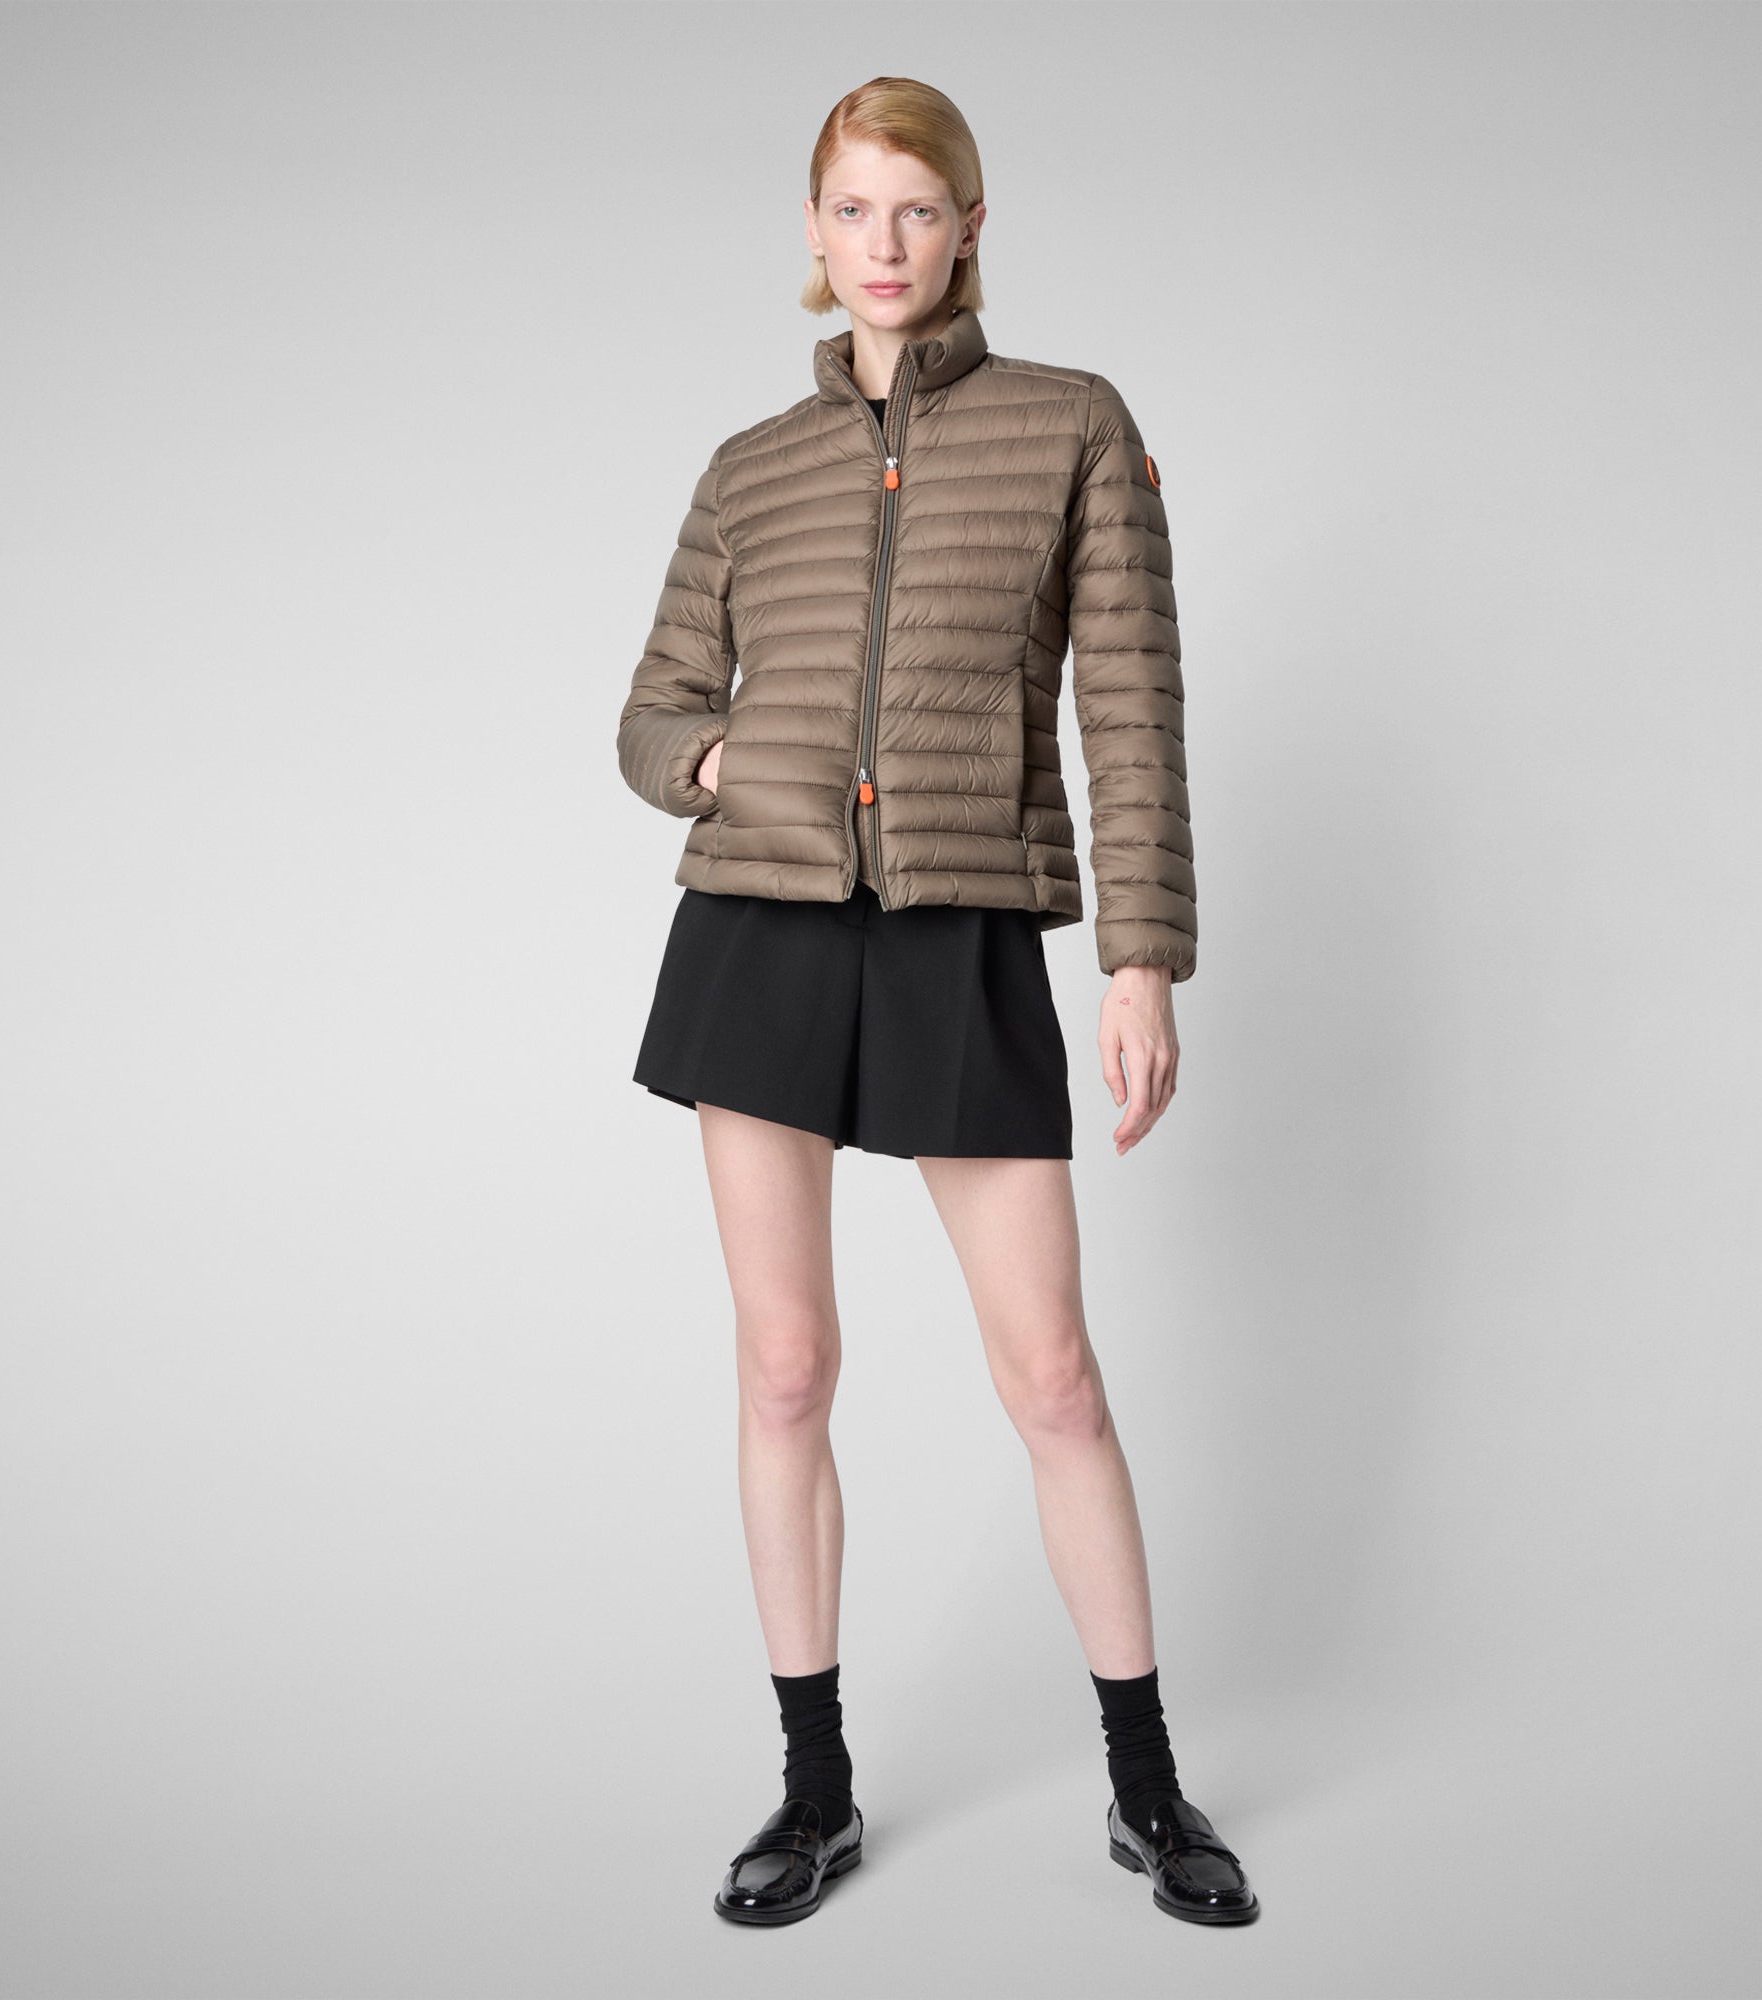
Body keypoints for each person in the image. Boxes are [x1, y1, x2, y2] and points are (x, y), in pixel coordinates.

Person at [616, 76, 1257, 1928]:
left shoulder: (1073, 426)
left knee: (1052, 1375)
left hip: (960, 933)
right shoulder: (751, 468)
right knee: (785, 1365)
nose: (881, 244)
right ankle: (813, 1791)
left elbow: (1129, 705)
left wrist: (1140, 958)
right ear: (813, 234)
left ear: (970, 226)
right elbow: (654, 712)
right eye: (850, 209)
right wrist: (721, 764)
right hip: (760, 933)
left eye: (915, 209)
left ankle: (1147, 1787)